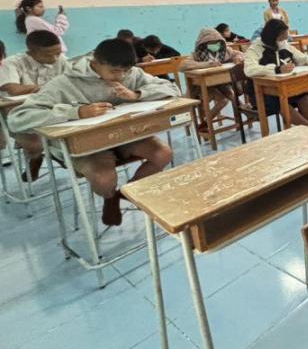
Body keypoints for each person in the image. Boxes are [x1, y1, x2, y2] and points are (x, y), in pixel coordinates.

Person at [8, 39, 179, 226]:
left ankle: (126, 193)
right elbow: (18, 117)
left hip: (123, 136)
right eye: (115, 71)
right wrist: (76, 112)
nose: (121, 76)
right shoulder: (64, 82)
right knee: (104, 179)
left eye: (126, 71)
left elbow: (172, 88)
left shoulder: (132, 73)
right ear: (95, 63)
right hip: (85, 145)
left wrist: (136, 94)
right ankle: (110, 197)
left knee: (163, 153)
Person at [0, 30, 67, 182]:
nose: (55, 58)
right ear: (31, 52)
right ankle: (37, 157)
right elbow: (14, 89)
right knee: (35, 145)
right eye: (48, 54)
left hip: (51, 109)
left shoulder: (60, 60)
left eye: (58, 53)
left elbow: (73, 80)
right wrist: (49, 87)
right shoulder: (12, 63)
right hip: (19, 112)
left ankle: (55, 155)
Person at [244, 19, 308, 126]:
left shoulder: (284, 45)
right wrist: (277, 69)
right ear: (272, 37)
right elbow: (249, 70)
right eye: (281, 37)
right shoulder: (255, 49)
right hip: (261, 93)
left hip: (283, 88)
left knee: (303, 95)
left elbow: (303, 58)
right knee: (280, 101)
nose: (284, 40)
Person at [180, 28, 244, 131]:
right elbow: (183, 65)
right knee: (223, 100)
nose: (215, 45)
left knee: (232, 95)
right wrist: (207, 64)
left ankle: (240, 120)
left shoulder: (225, 50)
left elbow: (238, 54)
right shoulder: (197, 54)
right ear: (204, 44)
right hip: (203, 86)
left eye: (216, 42)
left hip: (221, 83)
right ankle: (206, 122)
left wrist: (237, 58)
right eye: (211, 43)